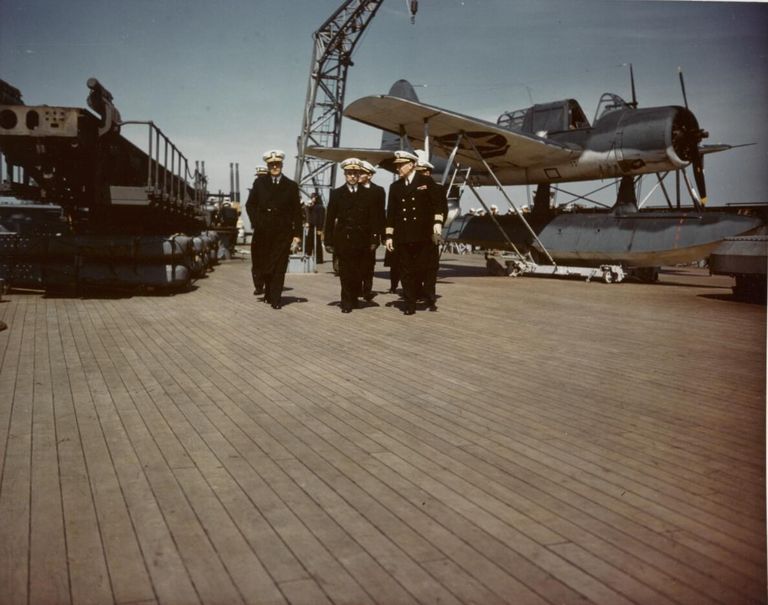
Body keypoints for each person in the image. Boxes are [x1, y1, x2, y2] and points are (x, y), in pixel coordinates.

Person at [384, 150, 444, 315]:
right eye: (396, 165)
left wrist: (437, 224)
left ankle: (428, 298)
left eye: (401, 165)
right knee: (405, 270)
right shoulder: (395, 187)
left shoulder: (426, 181)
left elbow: (437, 204)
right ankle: (410, 303)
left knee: (422, 269)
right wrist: (389, 235)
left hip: (422, 235)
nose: (398, 168)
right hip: (403, 235)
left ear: (411, 165)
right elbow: (391, 213)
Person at [244, 149, 302, 309]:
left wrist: (297, 235)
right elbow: (250, 205)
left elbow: (297, 212)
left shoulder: (291, 186)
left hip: (283, 232)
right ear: (268, 166)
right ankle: (268, 292)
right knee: (265, 265)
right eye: (271, 165)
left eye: (277, 164)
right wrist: (257, 221)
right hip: (263, 232)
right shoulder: (259, 183)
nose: (275, 167)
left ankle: (276, 299)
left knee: (279, 266)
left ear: (282, 165)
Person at [324, 158, 381, 313]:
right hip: (344, 238)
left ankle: (354, 298)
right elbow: (329, 219)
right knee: (346, 271)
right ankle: (346, 302)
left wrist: (375, 238)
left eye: (356, 173)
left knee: (359, 271)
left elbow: (374, 218)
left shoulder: (367, 194)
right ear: (345, 174)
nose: (353, 176)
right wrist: (327, 241)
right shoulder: (337, 194)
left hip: (362, 238)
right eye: (350, 173)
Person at [415, 157, 447, 305]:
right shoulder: (412, 188)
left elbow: (443, 210)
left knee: (432, 265)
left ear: (427, 173)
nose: (418, 175)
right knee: (417, 265)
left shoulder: (438, 189)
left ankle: (430, 293)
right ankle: (417, 291)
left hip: (432, 233)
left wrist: (438, 228)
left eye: (421, 172)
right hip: (416, 233)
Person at [358, 160, 386, 300]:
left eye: (362, 173)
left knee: (369, 264)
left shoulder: (378, 191)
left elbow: (381, 214)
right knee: (355, 263)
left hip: (371, 233)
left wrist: (382, 235)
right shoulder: (354, 189)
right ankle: (356, 289)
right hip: (356, 233)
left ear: (369, 175)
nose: (358, 175)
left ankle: (367, 290)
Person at [304, 191, 326, 263]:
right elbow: (307, 213)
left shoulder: (320, 207)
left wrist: (320, 229)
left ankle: (319, 259)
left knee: (317, 243)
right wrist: (308, 206)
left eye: (313, 197)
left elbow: (321, 218)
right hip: (311, 226)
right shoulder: (311, 207)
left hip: (317, 227)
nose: (312, 199)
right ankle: (308, 256)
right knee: (309, 242)